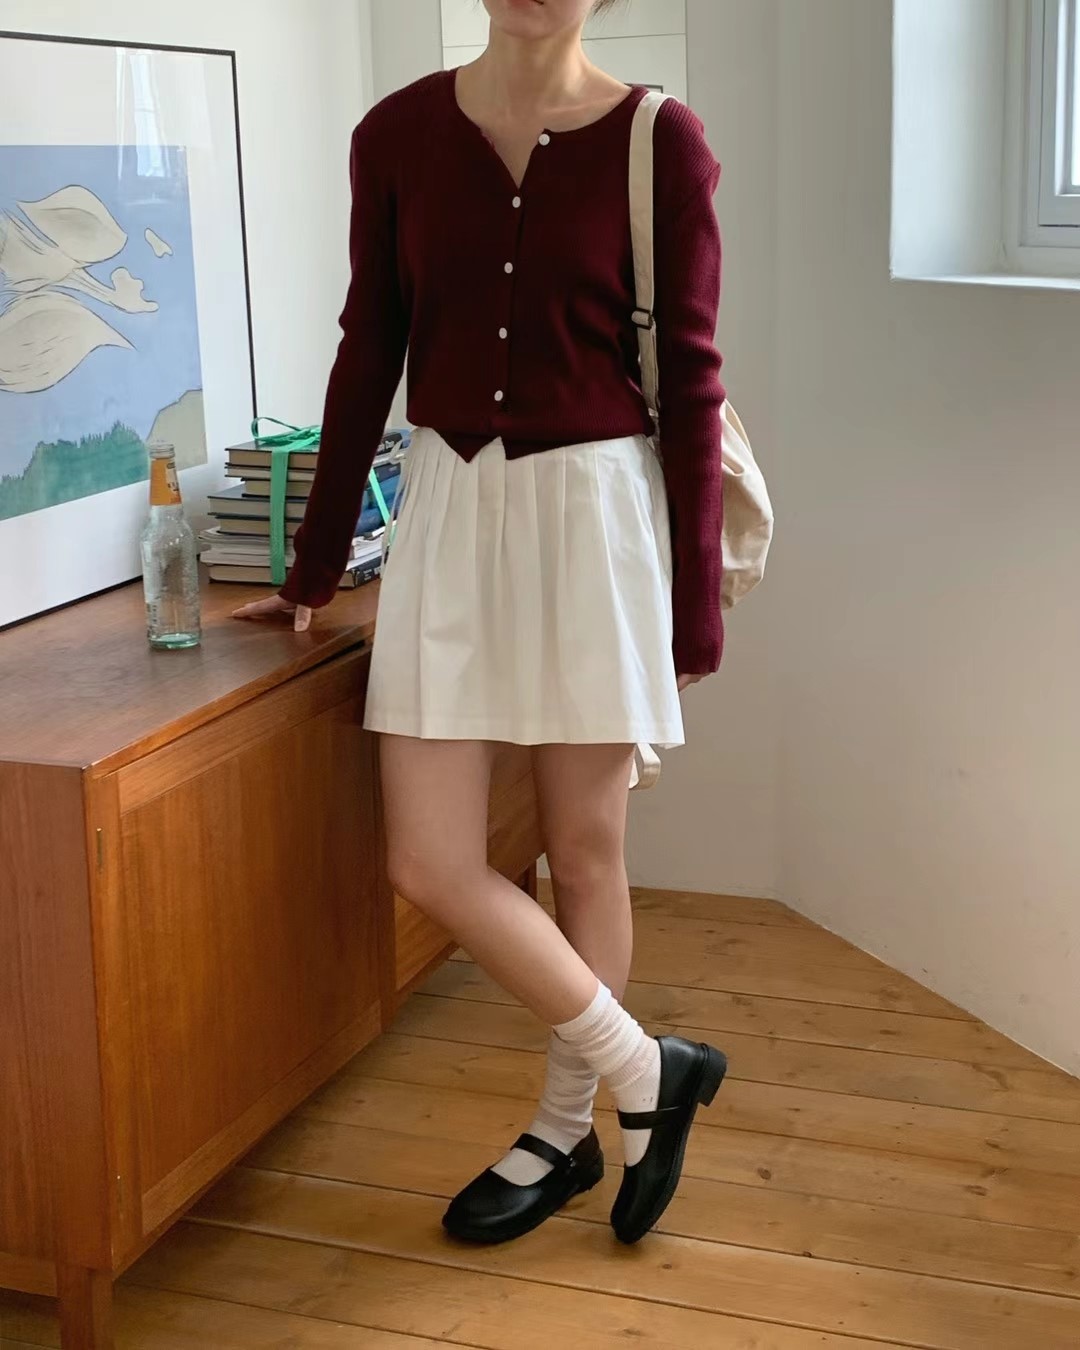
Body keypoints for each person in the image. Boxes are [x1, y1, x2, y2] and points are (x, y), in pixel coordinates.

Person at [233, 0, 728, 1246]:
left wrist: (694, 604)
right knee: (430, 860)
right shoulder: (397, 134)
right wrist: (313, 563)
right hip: (447, 512)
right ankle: (646, 1070)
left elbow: (692, 376)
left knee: (584, 848)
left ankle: (565, 1130)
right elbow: (369, 349)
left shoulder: (659, 141)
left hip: (593, 518)